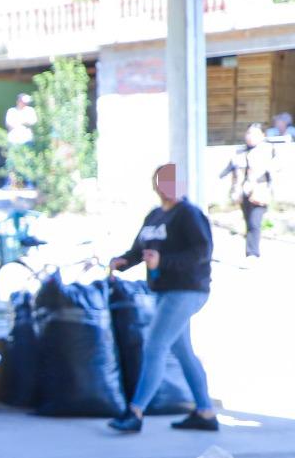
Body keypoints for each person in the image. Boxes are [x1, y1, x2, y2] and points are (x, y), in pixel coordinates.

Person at [108, 163, 218, 434]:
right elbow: (141, 250)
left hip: (187, 290)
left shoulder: (189, 214)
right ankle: (205, 412)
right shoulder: (155, 216)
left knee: (155, 345)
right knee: (182, 351)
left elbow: (202, 251)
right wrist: (123, 262)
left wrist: (164, 261)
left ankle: (135, 411)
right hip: (163, 290)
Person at [221, 124, 274, 260]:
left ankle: (253, 253)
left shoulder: (268, 151)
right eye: (249, 133)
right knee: (248, 222)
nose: (251, 137)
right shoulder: (239, 153)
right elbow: (228, 170)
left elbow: (274, 173)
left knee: (254, 222)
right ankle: (250, 252)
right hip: (242, 192)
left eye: (255, 134)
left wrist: (271, 191)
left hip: (259, 192)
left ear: (263, 136)